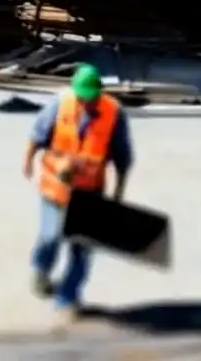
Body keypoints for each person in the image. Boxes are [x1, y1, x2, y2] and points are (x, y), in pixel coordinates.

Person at [22, 63, 133, 315]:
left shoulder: (113, 114)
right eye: (82, 98)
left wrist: (118, 192)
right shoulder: (59, 104)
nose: (86, 104)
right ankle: (41, 269)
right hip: (55, 188)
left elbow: (122, 157)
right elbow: (37, 136)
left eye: (91, 98)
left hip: (89, 193)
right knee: (50, 237)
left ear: (99, 94)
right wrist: (28, 161)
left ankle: (67, 297)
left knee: (81, 248)